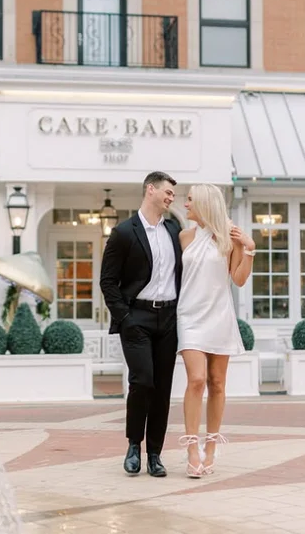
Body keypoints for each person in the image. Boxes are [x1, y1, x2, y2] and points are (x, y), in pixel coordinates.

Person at [100, 171, 183, 477]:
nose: (171, 198)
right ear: (151, 190)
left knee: (162, 389)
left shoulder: (175, 230)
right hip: (137, 318)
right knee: (142, 381)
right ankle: (134, 444)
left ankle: (155, 454)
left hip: (169, 319)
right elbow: (107, 281)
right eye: (168, 193)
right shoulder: (124, 232)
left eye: (173, 195)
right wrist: (125, 319)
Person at [175, 184, 255, 478]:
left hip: (219, 315)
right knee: (196, 380)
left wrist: (249, 249)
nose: (185, 205)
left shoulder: (229, 236)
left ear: (206, 204)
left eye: (191, 200)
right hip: (189, 316)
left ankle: (211, 447)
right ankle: (191, 448)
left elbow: (239, 279)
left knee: (217, 383)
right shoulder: (184, 236)